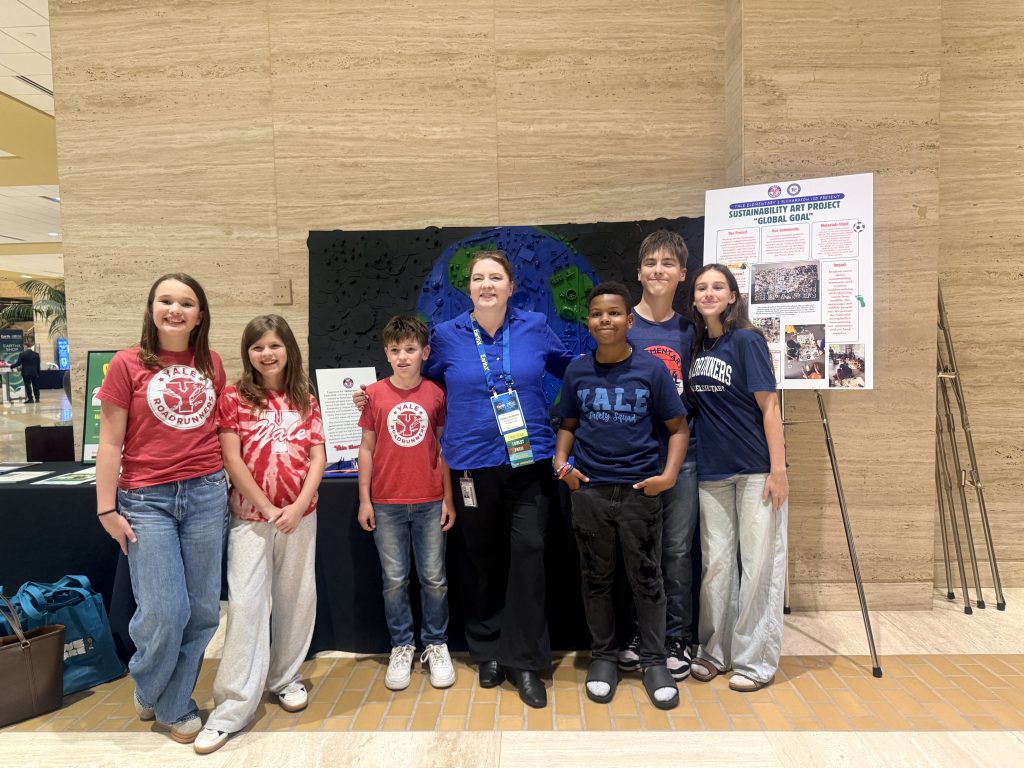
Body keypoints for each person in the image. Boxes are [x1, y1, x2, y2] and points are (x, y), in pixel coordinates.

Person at [419, 251, 574, 708]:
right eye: (478, 278)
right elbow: (422, 385)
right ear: (468, 289)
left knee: (529, 552)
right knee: (481, 557)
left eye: (496, 277)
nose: (487, 285)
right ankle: (486, 649)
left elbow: (572, 369)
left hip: (529, 464)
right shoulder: (445, 336)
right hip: (470, 464)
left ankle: (524, 660)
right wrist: (374, 399)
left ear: (511, 286)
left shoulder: (535, 326)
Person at [94, 273, 228, 744]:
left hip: (207, 493)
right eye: (166, 300)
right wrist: (106, 509)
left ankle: (173, 703)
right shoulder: (127, 364)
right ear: (151, 308)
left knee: (203, 611)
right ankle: (149, 679)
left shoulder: (211, 363)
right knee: (164, 610)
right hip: (146, 500)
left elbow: (218, 431)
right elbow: (109, 442)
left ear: (200, 314)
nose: (176, 309)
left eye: (186, 303)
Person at [194, 315, 326, 755]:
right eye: (257, 347)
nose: (266, 354)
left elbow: (317, 456)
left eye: (273, 345)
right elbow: (232, 459)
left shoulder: (305, 397)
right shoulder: (233, 398)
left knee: (296, 597)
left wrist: (297, 505)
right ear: (247, 353)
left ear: (288, 348)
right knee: (248, 607)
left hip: (300, 516)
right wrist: (269, 508)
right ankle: (231, 706)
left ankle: (285, 677)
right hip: (252, 517)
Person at [554, 282, 688, 710]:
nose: (605, 320)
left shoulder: (651, 370)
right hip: (590, 491)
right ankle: (605, 657)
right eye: (597, 313)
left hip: (639, 492)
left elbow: (678, 428)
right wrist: (562, 465)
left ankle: (654, 661)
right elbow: (567, 423)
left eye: (614, 313)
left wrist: (667, 477)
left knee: (647, 580)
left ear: (630, 320)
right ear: (588, 321)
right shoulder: (577, 371)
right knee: (596, 581)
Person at [685, 264, 788, 693]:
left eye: (718, 287)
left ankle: (754, 661)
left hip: (754, 471)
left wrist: (779, 470)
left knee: (759, 565)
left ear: (732, 297)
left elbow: (769, 407)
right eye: (701, 288)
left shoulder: (747, 340)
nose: (709, 293)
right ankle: (714, 651)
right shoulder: (697, 347)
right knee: (717, 566)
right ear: (693, 299)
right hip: (712, 473)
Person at [356, 315, 455, 693]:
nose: (402, 357)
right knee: (394, 581)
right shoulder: (375, 395)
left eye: (410, 350)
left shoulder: (436, 394)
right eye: (395, 350)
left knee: (434, 579)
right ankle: (402, 645)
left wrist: (448, 498)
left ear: (424, 352)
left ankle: (435, 642)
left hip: (430, 501)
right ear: (386, 353)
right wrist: (365, 500)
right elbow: (366, 448)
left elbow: (444, 449)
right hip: (385, 502)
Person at [617, 229, 699, 681]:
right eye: (651, 262)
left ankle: (676, 637)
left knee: (676, 552)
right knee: (636, 551)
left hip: (682, 457)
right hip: (632, 456)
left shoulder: (691, 329)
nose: (658, 270)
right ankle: (640, 635)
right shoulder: (623, 322)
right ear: (639, 271)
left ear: (682, 274)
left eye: (668, 263)